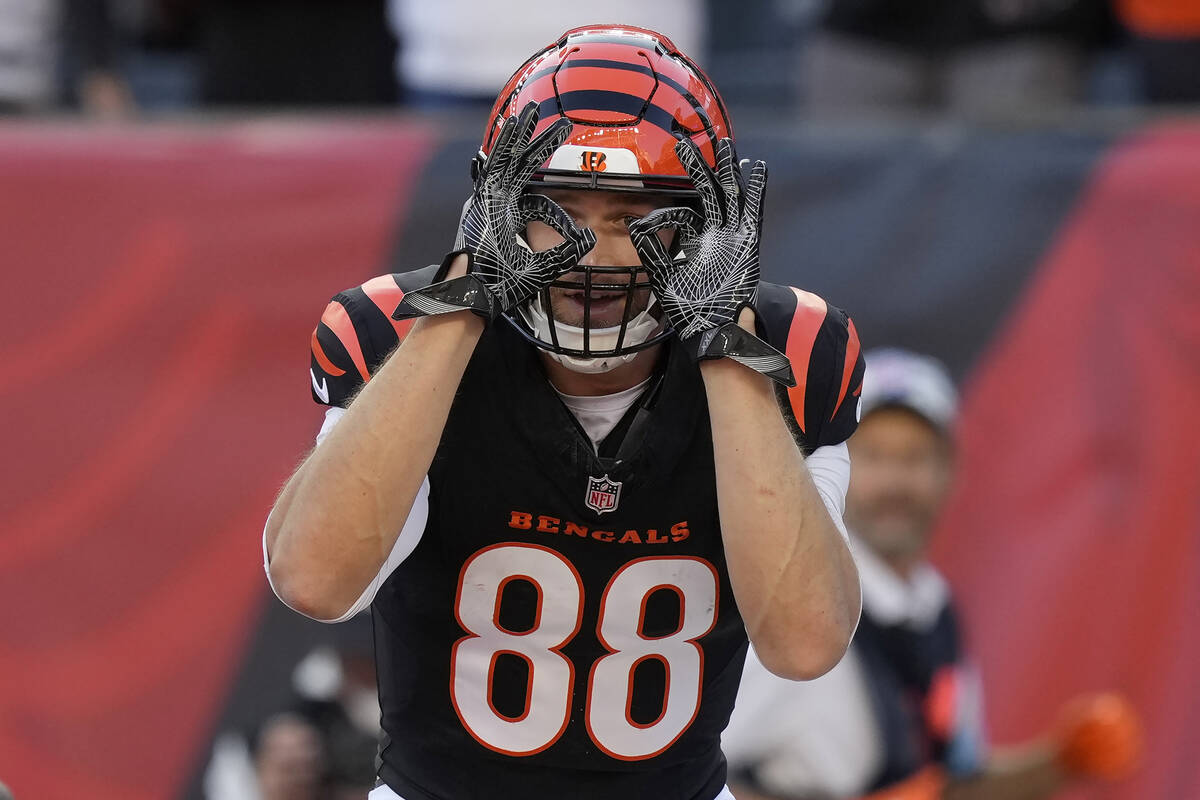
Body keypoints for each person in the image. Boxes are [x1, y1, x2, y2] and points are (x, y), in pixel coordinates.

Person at [264, 24, 865, 800]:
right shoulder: (398, 332)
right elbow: (314, 579)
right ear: (499, 207)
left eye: (634, 217)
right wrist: (459, 308)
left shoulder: (795, 353)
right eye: (561, 213)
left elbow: (804, 642)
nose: (596, 255)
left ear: (711, 224)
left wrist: (728, 349)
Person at [723, 348, 1142, 800]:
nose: (896, 482)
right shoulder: (799, 599)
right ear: (837, 469)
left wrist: (1058, 762)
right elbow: (703, 778)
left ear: (950, 470)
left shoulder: (934, 608)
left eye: (916, 457)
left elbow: (954, 782)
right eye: (876, 455)